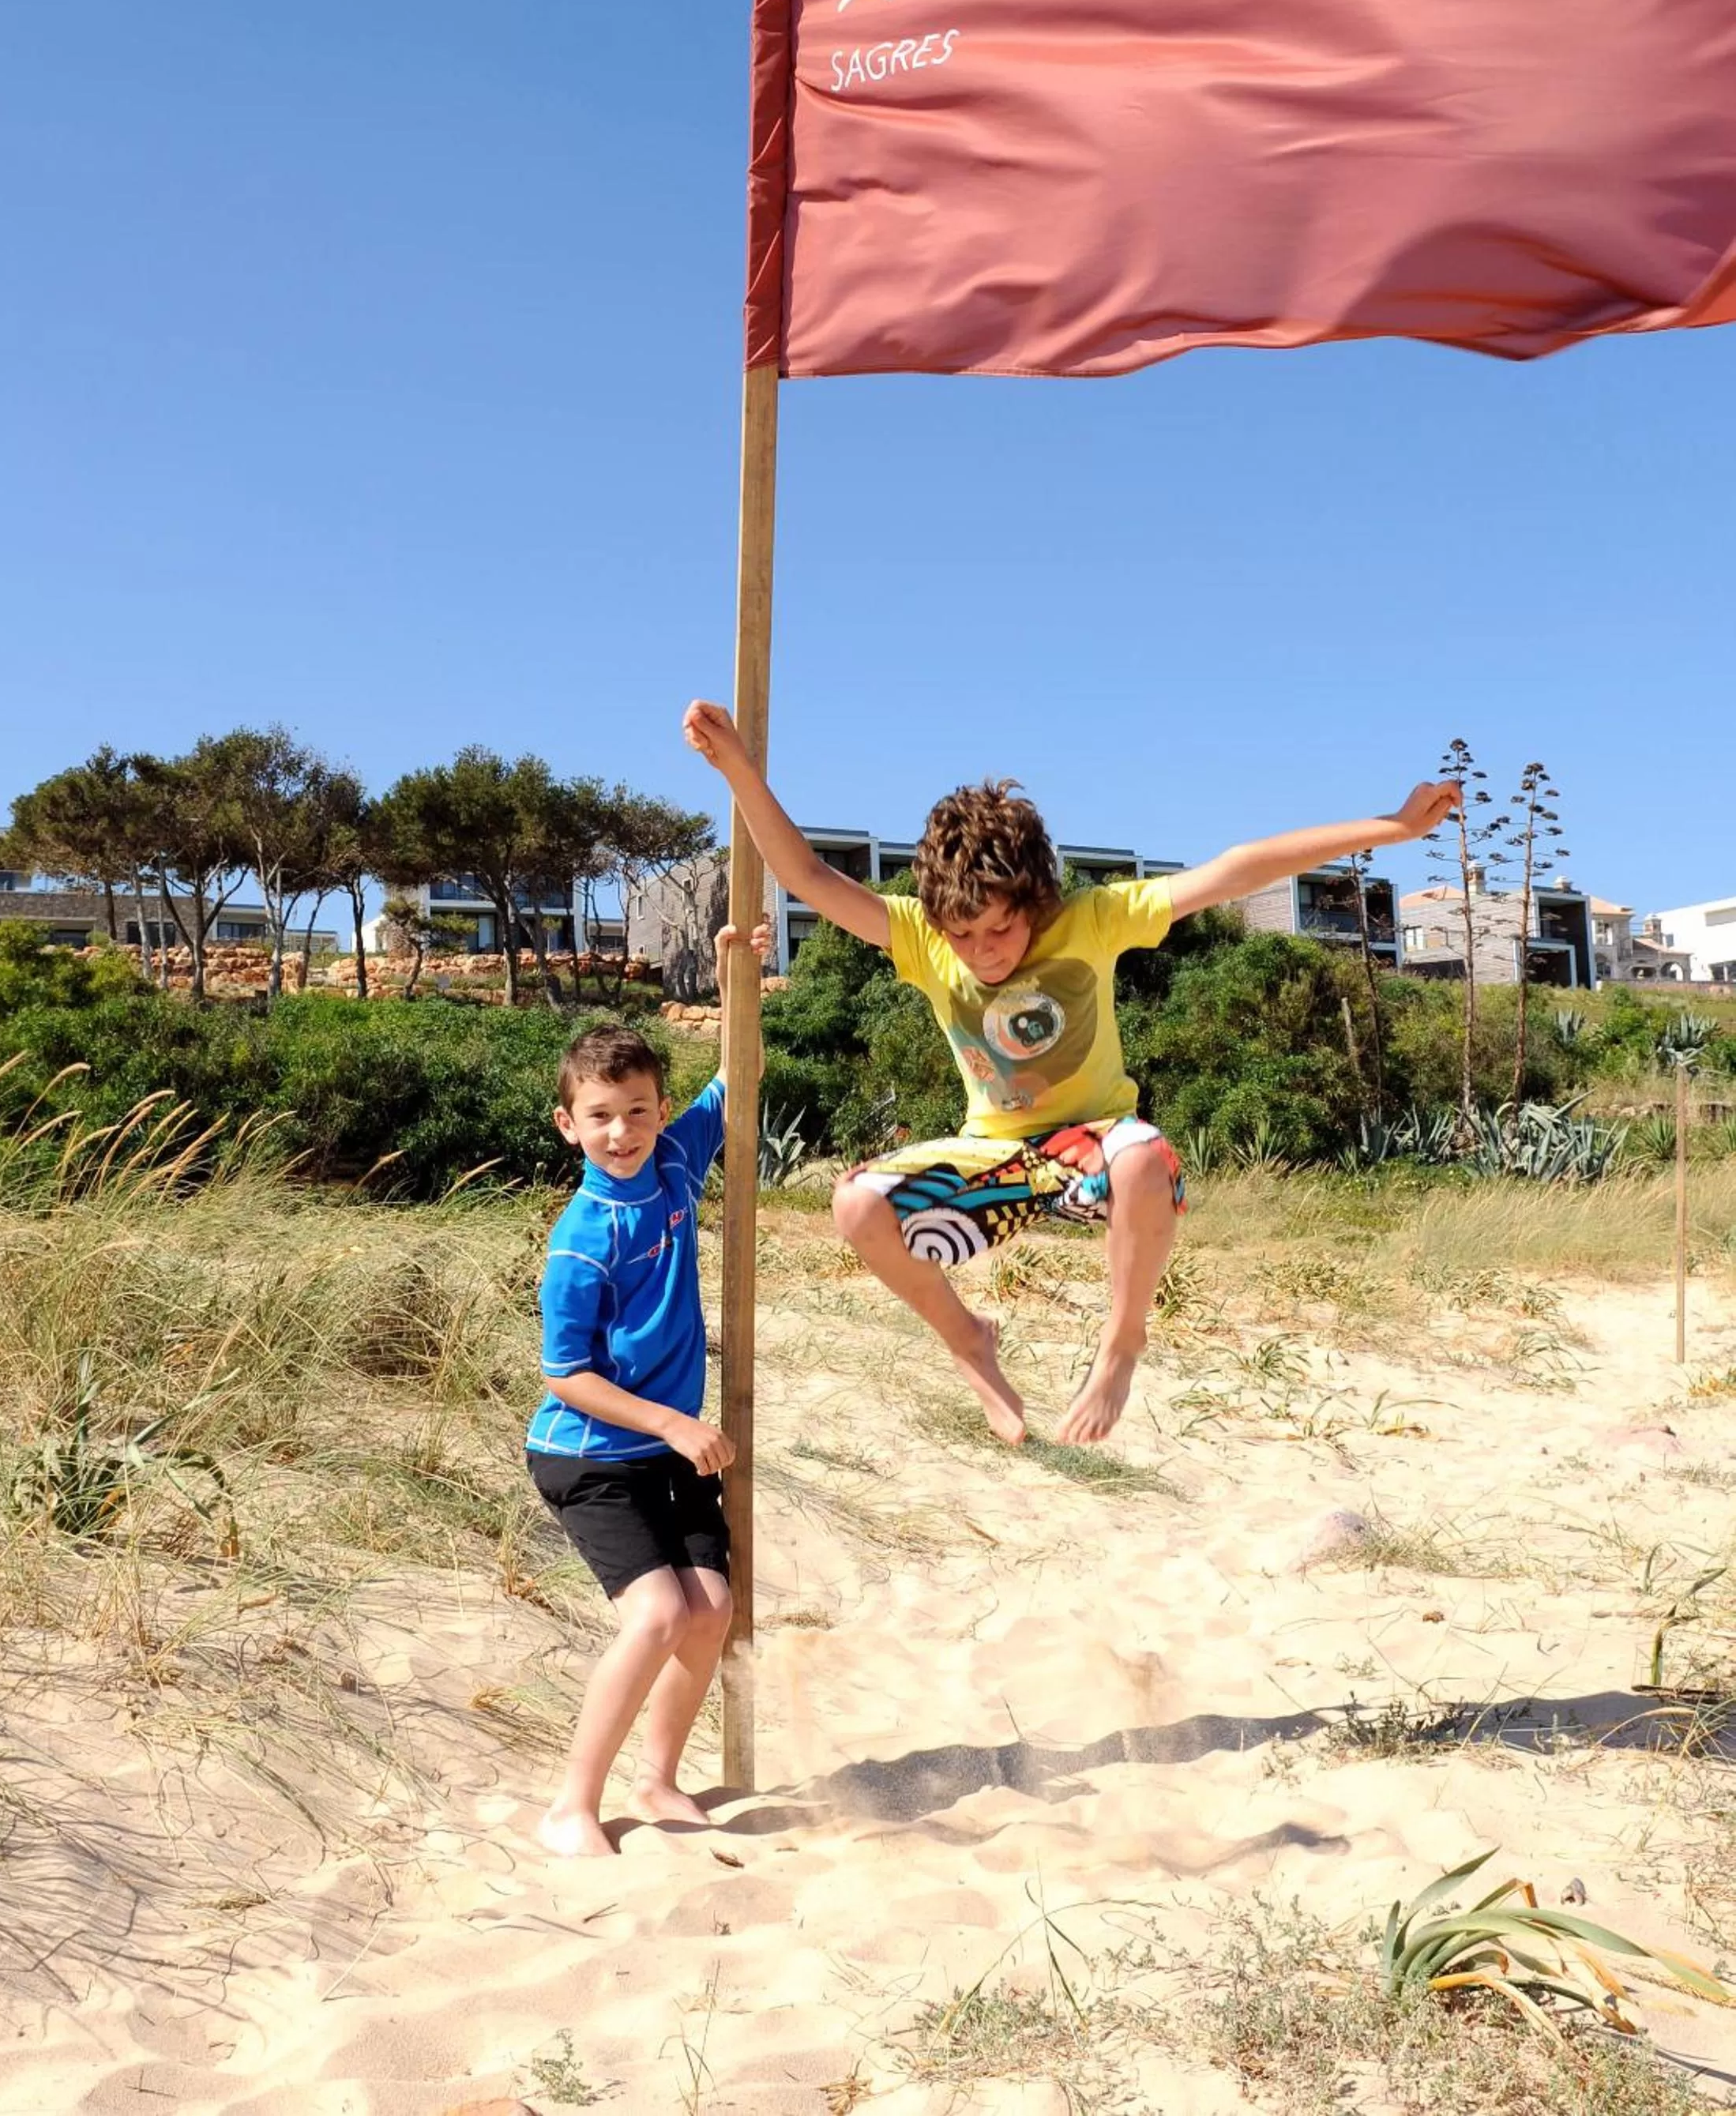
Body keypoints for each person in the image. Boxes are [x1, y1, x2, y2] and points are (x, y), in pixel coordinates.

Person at [684, 700, 1455, 1448]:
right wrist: (738, 771)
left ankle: (1121, 1344)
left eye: (1001, 928)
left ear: (1036, 901)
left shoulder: (1088, 919)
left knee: (1145, 1153)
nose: (984, 950)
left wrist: (1391, 826)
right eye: (964, 935)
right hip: (999, 1160)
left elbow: (1235, 869)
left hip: (1093, 1152)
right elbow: (810, 878)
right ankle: (968, 1339)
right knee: (855, 1204)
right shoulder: (919, 937)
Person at [525, 919, 767, 1859]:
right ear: (568, 1125)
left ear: (659, 1110)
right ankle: (570, 1806)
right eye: (600, 1115)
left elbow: (736, 1077)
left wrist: (732, 972)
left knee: (711, 1612)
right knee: (660, 1614)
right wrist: (671, 1420)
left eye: (636, 1109)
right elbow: (565, 1375)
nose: (620, 1131)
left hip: (669, 1452)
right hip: (591, 1455)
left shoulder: (674, 1162)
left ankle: (659, 1780)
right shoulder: (581, 1240)